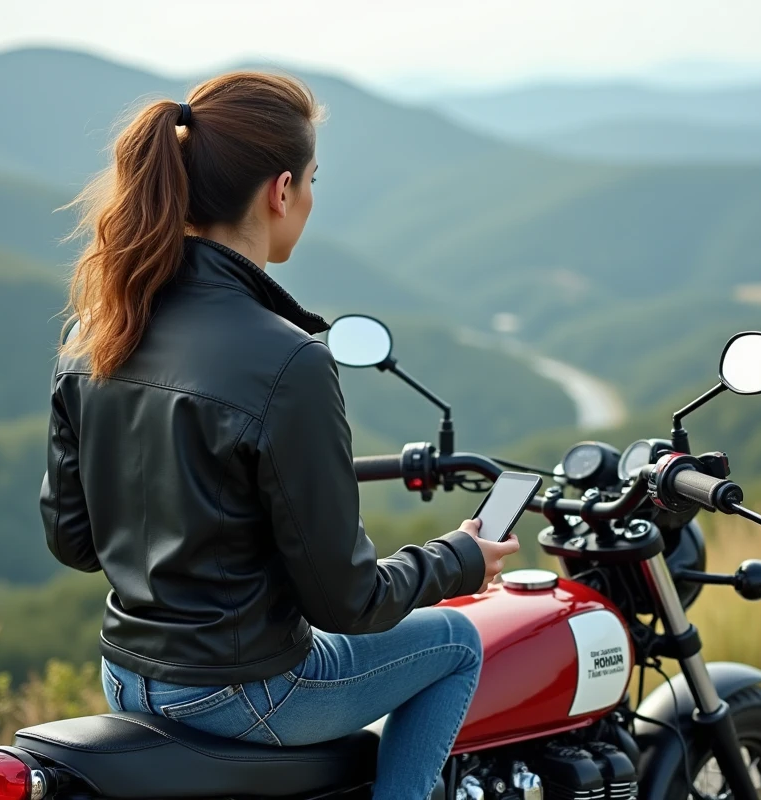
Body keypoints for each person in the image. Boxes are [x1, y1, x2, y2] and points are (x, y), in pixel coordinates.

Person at [38, 71, 520, 800]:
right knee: (456, 641)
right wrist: (460, 558)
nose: (311, 199)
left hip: (128, 675)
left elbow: (74, 542)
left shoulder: (97, 331)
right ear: (282, 190)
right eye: (314, 180)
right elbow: (347, 603)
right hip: (241, 690)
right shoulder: (287, 360)